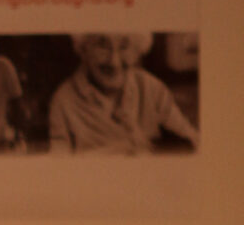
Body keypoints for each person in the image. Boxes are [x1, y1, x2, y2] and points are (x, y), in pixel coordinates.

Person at [49, 34, 199, 153]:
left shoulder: (152, 88)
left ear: (137, 52)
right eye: (102, 46)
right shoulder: (63, 101)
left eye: (124, 47)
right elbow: (58, 169)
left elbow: (192, 142)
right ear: (83, 49)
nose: (114, 62)